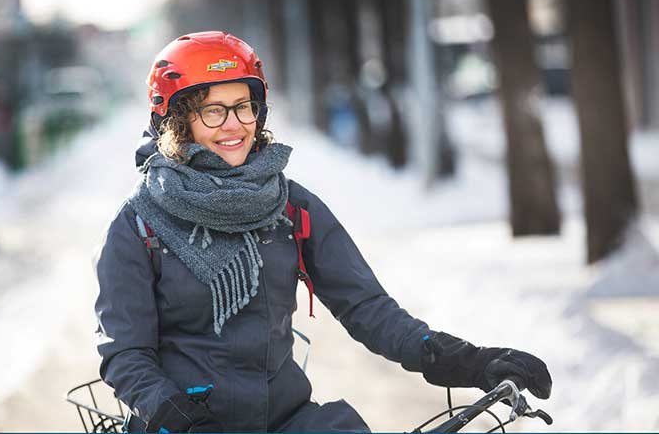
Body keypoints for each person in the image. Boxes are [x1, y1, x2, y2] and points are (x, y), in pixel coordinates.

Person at [94, 31, 552, 433]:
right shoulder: (139, 224)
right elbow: (126, 355)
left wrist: (466, 360)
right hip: (185, 426)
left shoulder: (290, 207)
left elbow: (367, 308)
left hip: (287, 421)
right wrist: (178, 418)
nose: (234, 125)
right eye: (213, 111)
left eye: (243, 106)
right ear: (178, 122)